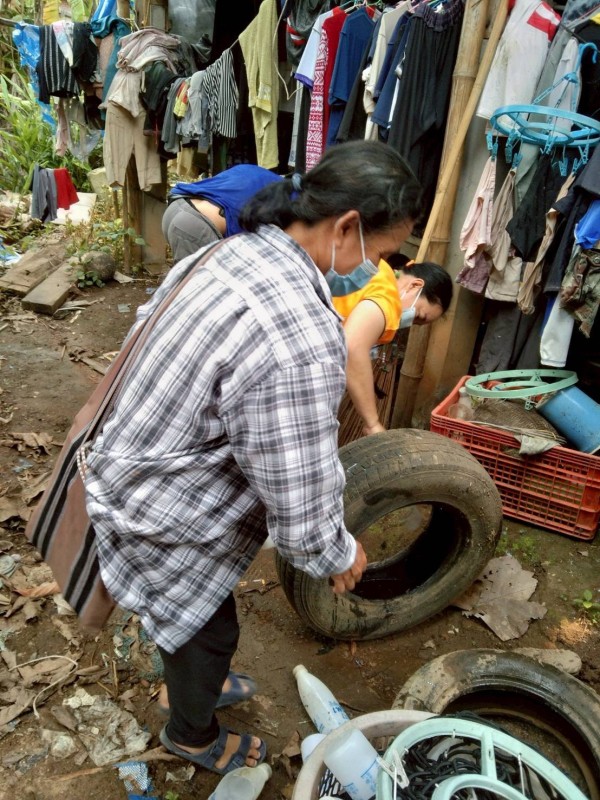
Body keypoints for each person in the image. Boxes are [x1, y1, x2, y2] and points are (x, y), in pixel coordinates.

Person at [82, 140, 422, 778]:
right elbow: (297, 486)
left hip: (128, 460)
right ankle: (190, 731)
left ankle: (193, 681)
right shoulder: (297, 332)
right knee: (209, 630)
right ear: (346, 226)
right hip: (158, 505)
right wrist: (335, 552)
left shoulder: (234, 249)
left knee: (195, 624)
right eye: (379, 253)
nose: (376, 268)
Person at [333, 255, 453, 437]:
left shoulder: (379, 271)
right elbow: (353, 347)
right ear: (415, 285)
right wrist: (372, 423)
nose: (411, 322)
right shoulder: (387, 300)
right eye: (419, 316)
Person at [161, 163, 282, 263]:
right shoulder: (287, 202)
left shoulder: (261, 176)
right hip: (194, 226)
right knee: (205, 284)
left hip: (176, 206)